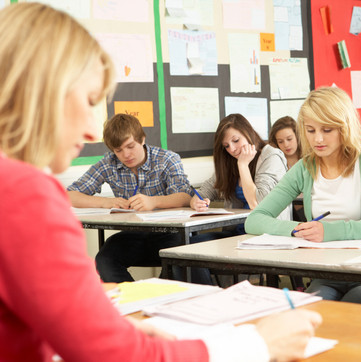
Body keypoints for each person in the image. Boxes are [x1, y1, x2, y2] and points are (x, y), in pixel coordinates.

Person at [0, 3, 321, 361]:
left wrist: (115, 329)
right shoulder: (23, 193)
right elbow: (108, 353)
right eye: (89, 101)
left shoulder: (14, 186)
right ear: (40, 93)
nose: (92, 129)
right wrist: (257, 344)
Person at [246, 87, 361, 306]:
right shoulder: (305, 167)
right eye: (310, 130)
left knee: (348, 316)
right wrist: (296, 230)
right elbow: (255, 219)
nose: (317, 139)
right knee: (308, 315)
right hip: (326, 275)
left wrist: (330, 231)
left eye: (327, 130)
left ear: (344, 127)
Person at [67, 113, 194, 283]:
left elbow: (185, 196)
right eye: (118, 150)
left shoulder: (167, 159)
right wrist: (106, 202)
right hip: (134, 234)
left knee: (178, 258)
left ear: (142, 139)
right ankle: (133, 299)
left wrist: (154, 201)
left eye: (130, 146)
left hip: (169, 233)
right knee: (105, 259)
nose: (126, 155)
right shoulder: (109, 163)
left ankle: (158, 299)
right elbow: (69, 195)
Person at [189, 113, 291, 284]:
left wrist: (243, 165)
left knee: (188, 256)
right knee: (185, 249)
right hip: (236, 234)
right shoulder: (230, 160)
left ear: (248, 133)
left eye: (236, 141)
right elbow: (205, 190)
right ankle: (211, 297)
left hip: (265, 236)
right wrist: (197, 201)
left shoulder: (271, 156)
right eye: (226, 146)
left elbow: (259, 204)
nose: (232, 149)